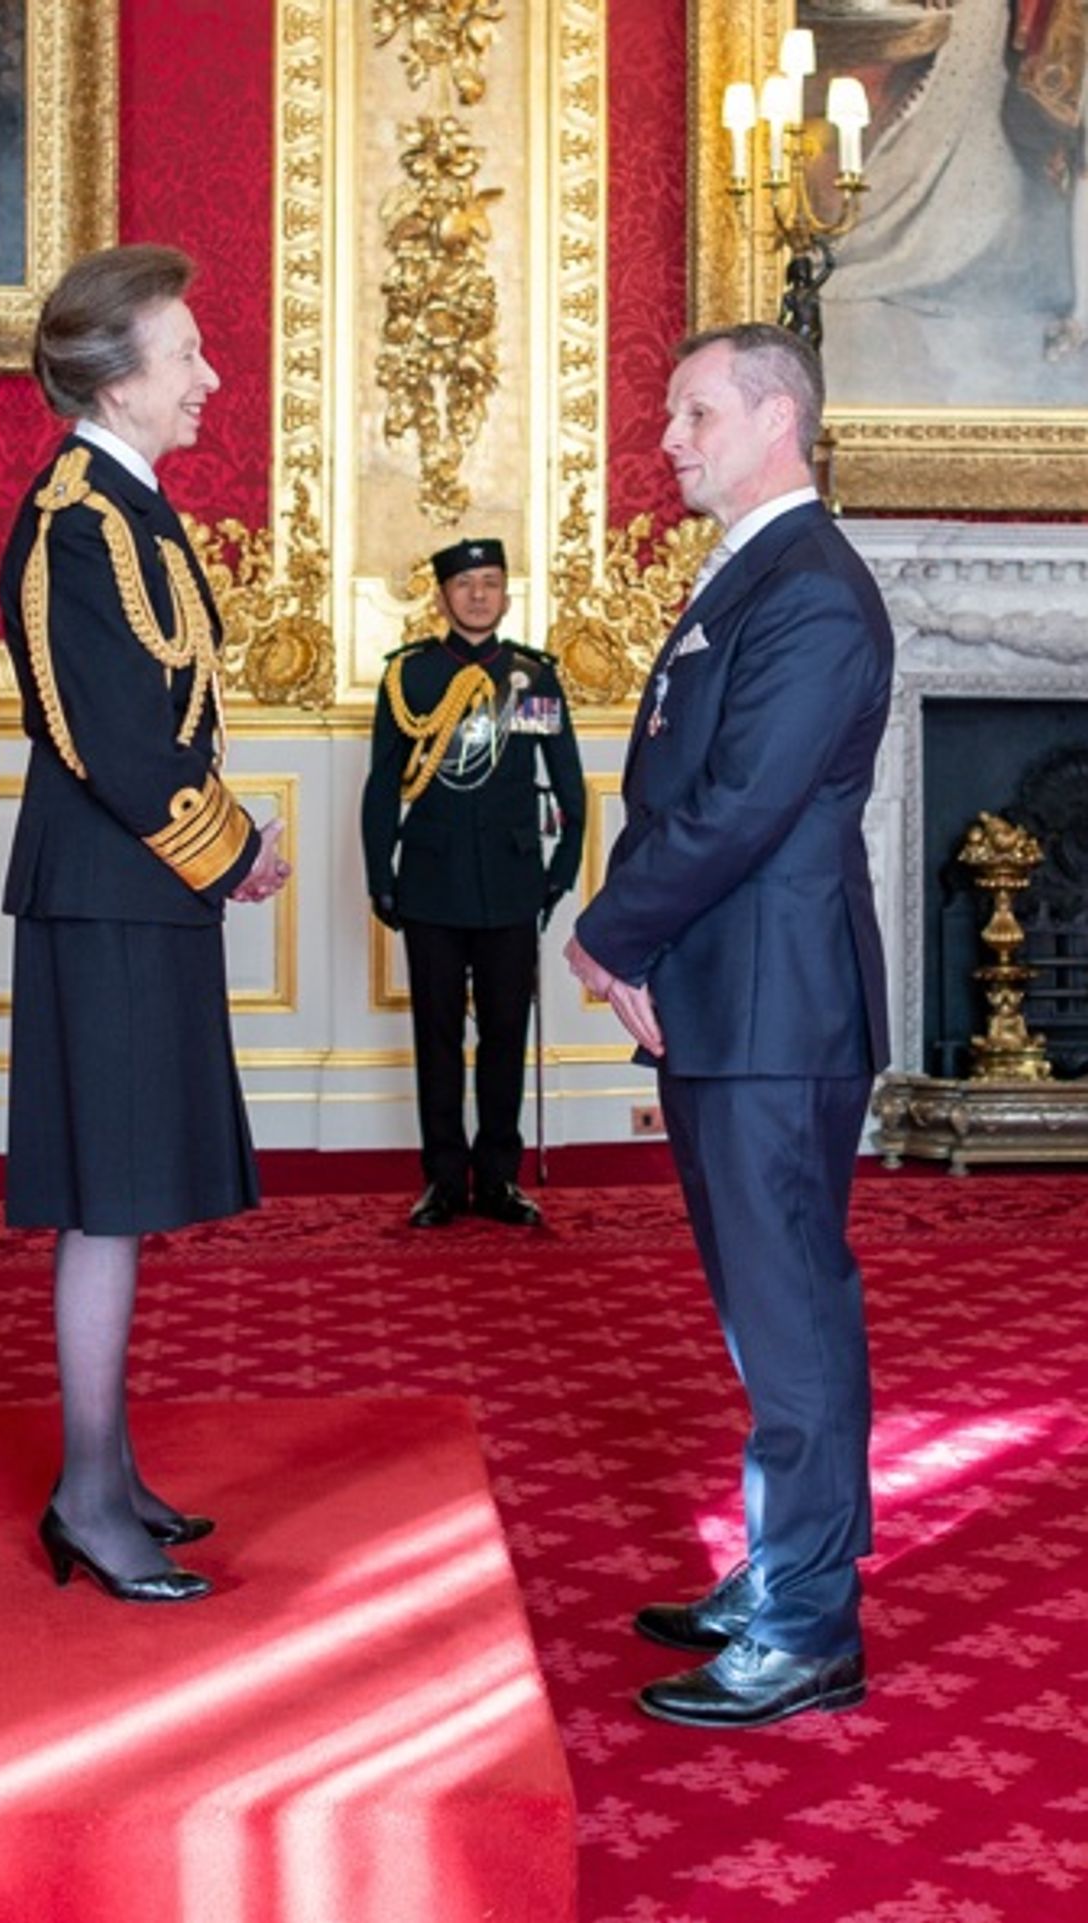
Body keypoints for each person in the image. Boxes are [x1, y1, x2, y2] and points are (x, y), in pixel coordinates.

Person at [565, 323, 894, 1729]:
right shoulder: (759, 570)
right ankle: (778, 1570)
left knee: (795, 1316)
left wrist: (605, 927)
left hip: (774, 1006)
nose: (670, 438)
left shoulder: (811, 588)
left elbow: (742, 801)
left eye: (693, 410)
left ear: (776, 416)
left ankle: (811, 1619)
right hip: (730, 1000)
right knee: (766, 1320)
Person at [0, 244, 290, 1604]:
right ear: (116, 375)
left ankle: (106, 1476)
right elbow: (106, 731)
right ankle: (85, 1493)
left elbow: (168, 711)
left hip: (139, 892)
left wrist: (223, 842)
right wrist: (229, 848)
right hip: (110, 893)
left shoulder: (131, 504)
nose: (209, 376)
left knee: (120, 1203)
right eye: (185, 354)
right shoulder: (77, 516)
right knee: (104, 1206)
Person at [362, 538, 585, 1228]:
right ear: (441, 596)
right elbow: (380, 788)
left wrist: (559, 874)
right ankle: (441, 1180)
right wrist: (381, 875)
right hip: (430, 883)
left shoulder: (530, 678)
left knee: (504, 1035)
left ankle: (498, 1178)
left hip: (513, 885)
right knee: (436, 1037)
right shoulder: (411, 678)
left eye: (490, 582)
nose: (479, 595)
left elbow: (567, 783)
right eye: (465, 584)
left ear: (506, 594)